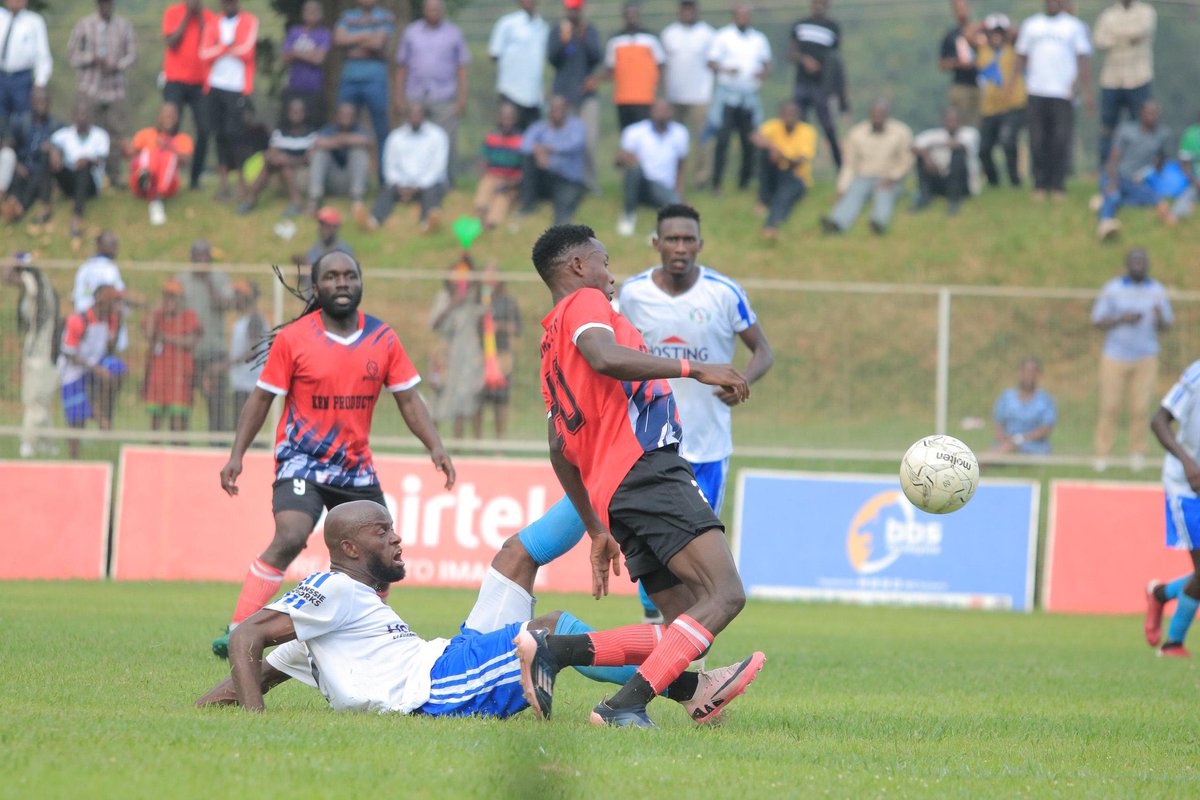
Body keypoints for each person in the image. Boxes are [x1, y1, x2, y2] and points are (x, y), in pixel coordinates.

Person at [196, 500, 763, 725]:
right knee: (551, 631)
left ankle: (594, 481)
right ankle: (689, 686)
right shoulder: (335, 590)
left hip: (446, 655)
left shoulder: (336, 612)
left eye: (393, 527)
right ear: (348, 548)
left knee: (514, 558)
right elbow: (248, 635)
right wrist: (254, 724)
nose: (397, 539)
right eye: (381, 531)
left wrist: (209, 704)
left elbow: (262, 666)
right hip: (439, 687)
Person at [530, 223, 756, 726]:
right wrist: (696, 369)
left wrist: (595, 526)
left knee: (684, 621)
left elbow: (557, 446)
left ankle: (560, 650)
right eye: (604, 262)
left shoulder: (549, 346)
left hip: (617, 492)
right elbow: (606, 357)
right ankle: (621, 704)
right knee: (725, 594)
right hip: (648, 469)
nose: (612, 276)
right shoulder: (586, 305)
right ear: (578, 267)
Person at [211, 251, 455, 658]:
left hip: (354, 468)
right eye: (331, 276)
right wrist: (237, 454)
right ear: (317, 287)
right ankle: (241, 630)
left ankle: (370, 636)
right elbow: (260, 398)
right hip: (301, 460)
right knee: (290, 536)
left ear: (360, 282)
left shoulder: (383, 338)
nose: (341, 282)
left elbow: (409, 401)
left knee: (380, 550)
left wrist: (436, 446)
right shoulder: (295, 338)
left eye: (349, 275)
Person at [618, 204, 773, 622]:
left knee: (698, 564)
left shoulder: (723, 293)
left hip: (707, 449)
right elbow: (612, 355)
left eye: (688, 239)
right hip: (650, 448)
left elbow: (763, 350)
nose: (680, 247)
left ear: (700, 245)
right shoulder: (631, 294)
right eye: (672, 239)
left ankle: (683, 657)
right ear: (656, 243)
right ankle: (665, 649)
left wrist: (743, 381)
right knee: (657, 562)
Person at [1091, 247, 1173, 472]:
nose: (1138, 264)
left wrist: (1159, 317)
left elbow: (1167, 324)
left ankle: (1137, 452)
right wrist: (1121, 318)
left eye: (1142, 261)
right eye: (1134, 260)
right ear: (1127, 264)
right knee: (1109, 406)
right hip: (1114, 356)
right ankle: (1102, 453)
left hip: (1146, 357)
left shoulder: (1156, 289)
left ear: (1147, 264)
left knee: (1140, 408)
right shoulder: (1113, 288)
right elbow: (1097, 320)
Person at [1143, 360, 1200, 658]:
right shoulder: (1196, 375)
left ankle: (1160, 594)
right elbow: (1159, 421)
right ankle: (1173, 644)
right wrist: (1188, 463)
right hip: (1187, 484)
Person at [1014, 0, 1093, 201]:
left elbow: (1083, 59)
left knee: (1060, 140)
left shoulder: (1074, 26)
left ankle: (1058, 185)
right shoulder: (1031, 25)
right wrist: (1015, 85)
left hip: (1063, 92)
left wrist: (1084, 90)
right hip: (1036, 90)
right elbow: (1021, 57)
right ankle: (1040, 184)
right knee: (1037, 139)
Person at [394, 0, 469, 187]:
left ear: (442, 11)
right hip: (415, 95)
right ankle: (409, 182)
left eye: (437, 8)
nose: (433, 12)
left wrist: (461, 99)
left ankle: (447, 182)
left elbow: (461, 68)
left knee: (446, 140)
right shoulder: (411, 32)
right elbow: (402, 67)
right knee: (413, 138)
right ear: (423, 11)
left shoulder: (454, 33)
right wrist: (398, 97)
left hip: (444, 96)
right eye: (430, 9)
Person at [66, 0, 136, 188]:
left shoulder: (124, 26)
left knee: (115, 132)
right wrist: (93, 59)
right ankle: (90, 176)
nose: (106, 6)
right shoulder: (84, 24)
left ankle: (114, 175)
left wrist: (116, 65)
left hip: (115, 88)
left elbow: (132, 55)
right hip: (90, 87)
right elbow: (72, 54)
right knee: (89, 130)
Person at [820, 99, 913, 235]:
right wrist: (842, 187)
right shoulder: (857, 133)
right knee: (852, 195)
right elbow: (850, 165)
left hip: (888, 177)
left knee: (884, 195)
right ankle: (836, 222)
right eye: (875, 114)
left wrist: (893, 177)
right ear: (869, 114)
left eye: (881, 114)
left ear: (887, 115)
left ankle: (879, 222)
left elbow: (906, 160)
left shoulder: (901, 132)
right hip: (863, 176)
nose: (878, 118)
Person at [706, 3, 771, 194]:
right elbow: (711, 62)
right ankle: (716, 183)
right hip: (728, 96)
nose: (743, 18)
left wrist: (761, 74)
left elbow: (767, 65)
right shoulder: (723, 36)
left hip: (748, 97)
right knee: (723, 141)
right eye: (739, 15)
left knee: (749, 141)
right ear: (733, 16)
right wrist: (727, 69)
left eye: (746, 15)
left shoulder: (758, 39)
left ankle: (744, 182)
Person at [198, 0, 259, 204]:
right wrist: (226, 46)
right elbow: (204, 53)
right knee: (220, 135)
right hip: (215, 86)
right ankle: (224, 184)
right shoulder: (213, 23)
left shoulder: (250, 20)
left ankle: (242, 183)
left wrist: (219, 48)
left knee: (237, 135)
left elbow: (247, 50)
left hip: (237, 87)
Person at [58, 283, 126, 460]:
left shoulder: (110, 319)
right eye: (114, 301)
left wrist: (119, 324)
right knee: (76, 419)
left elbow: (110, 347)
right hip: (73, 370)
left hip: (96, 363)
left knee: (117, 368)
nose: (117, 305)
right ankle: (75, 459)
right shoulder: (78, 320)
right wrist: (96, 369)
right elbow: (69, 353)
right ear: (101, 301)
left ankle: (100, 411)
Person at [3, 252, 59, 458]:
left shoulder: (35, 283)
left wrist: (14, 260)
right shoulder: (38, 285)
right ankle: (47, 441)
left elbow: (6, 275)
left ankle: (29, 440)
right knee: (37, 398)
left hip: (42, 350)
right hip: (35, 348)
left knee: (37, 398)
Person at [176, 239, 234, 434]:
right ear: (191, 257)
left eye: (205, 255)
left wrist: (208, 281)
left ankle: (217, 446)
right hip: (188, 351)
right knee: (182, 402)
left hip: (213, 351)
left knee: (216, 404)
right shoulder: (182, 280)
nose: (201, 260)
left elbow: (225, 305)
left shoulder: (220, 278)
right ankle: (180, 446)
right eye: (197, 255)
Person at [333, 0, 395, 177]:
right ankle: (343, 176)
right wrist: (367, 36)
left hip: (375, 80)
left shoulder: (385, 16)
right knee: (343, 127)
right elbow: (338, 39)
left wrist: (353, 39)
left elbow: (378, 44)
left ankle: (384, 177)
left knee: (381, 130)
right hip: (349, 79)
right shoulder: (347, 16)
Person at [1096, 99, 1172, 241]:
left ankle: (1102, 202)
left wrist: (1156, 169)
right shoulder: (1126, 131)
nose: (1152, 116)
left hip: (1137, 180)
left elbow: (1162, 158)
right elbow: (1113, 159)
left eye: (1155, 113)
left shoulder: (1161, 135)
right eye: (1149, 113)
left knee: (1124, 198)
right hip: (1118, 176)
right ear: (1141, 113)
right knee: (1114, 194)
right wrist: (1112, 180)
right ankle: (1105, 223)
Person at [547, 0, 602, 189]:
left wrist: (583, 36)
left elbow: (596, 57)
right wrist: (564, 39)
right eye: (570, 9)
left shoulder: (590, 30)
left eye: (576, 9)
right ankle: (566, 181)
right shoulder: (558, 30)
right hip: (563, 97)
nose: (573, 12)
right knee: (564, 141)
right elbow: (552, 58)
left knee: (589, 141)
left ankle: (590, 182)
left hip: (586, 96)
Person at [1093, 0, 1155, 169]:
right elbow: (1100, 40)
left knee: (1141, 125)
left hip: (1139, 77)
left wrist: (1115, 36)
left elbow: (1141, 32)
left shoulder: (1145, 12)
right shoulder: (1108, 15)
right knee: (1107, 126)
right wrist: (1128, 38)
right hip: (1112, 78)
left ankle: (1140, 165)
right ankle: (1104, 167)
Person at [162, 0, 216, 190]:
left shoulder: (208, 16)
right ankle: (166, 175)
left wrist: (199, 17)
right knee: (169, 128)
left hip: (200, 82)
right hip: (174, 79)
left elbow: (210, 42)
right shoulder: (173, 12)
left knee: (204, 129)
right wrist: (187, 16)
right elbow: (172, 42)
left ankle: (195, 178)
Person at [368, 104, 448, 234]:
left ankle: (427, 223)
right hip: (401, 184)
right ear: (407, 116)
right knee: (385, 191)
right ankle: (373, 221)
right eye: (412, 114)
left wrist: (418, 186)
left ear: (424, 115)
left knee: (432, 191)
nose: (415, 117)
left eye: (418, 114)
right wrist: (401, 185)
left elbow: (438, 168)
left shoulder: (437, 135)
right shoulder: (395, 137)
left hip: (428, 183)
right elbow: (390, 167)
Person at [428, 259, 485, 438]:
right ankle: (430, 443)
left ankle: (457, 444)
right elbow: (433, 323)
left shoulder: (474, 297)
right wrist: (452, 303)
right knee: (437, 398)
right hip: (445, 354)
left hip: (467, 355)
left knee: (463, 399)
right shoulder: (443, 296)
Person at [660, 0, 715, 189]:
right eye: (684, 7)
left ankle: (701, 179)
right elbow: (663, 66)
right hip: (674, 97)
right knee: (672, 141)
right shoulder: (669, 33)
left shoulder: (707, 33)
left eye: (691, 7)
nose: (687, 11)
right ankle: (671, 178)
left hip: (700, 95)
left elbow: (713, 62)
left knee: (703, 139)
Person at [616, 98, 688, 237]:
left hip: (663, 185)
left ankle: (657, 232)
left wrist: (679, 192)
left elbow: (681, 165)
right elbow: (618, 161)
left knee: (677, 205)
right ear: (651, 112)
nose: (661, 113)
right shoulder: (635, 131)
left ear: (671, 112)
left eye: (665, 110)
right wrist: (626, 158)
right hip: (642, 181)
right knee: (634, 168)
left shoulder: (680, 133)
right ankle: (628, 215)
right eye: (658, 110)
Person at [789, 0, 845, 169]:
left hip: (822, 86)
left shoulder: (832, 27)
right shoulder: (800, 25)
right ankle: (798, 169)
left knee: (828, 128)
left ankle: (840, 168)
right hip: (802, 84)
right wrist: (804, 60)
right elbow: (791, 52)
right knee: (799, 126)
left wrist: (839, 92)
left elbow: (835, 59)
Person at [237, 97, 316, 218]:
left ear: (304, 114)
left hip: (300, 170)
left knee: (285, 166)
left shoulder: (310, 134)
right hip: (278, 167)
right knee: (271, 162)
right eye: (292, 112)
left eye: (298, 112)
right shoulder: (280, 132)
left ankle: (252, 199)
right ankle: (252, 198)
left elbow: (308, 159)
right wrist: (274, 158)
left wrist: (288, 159)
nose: (295, 115)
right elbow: (272, 151)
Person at [143, 278, 201, 435]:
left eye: (173, 297)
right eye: (166, 296)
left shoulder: (189, 316)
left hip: (179, 377)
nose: (169, 301)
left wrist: (166, 338)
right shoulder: (157, 315)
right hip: (158, 375)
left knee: (178, 422)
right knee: (155, 421)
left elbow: (190, 341)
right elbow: (148, 335)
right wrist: (155, 313)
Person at [750, 98, 817, 238]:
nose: (789, 116)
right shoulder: (773, 126)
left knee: (784, 196)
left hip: (795, 175)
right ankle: (764, 199)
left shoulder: (807, 131)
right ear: (780, 114)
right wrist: (772, 147)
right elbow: (755, 137)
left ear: (799, 115)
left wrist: (782, 155)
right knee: (764, 155)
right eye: (786, 113)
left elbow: (800, 159)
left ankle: (772, 224)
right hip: (776, 173)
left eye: (793, 113)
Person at [519, 95, 587, 224]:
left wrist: (548, 149)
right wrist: (538, 151)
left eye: (559, 108)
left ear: (566, 110)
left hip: (567, 179)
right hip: (546, 178)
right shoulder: (540, 126)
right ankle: (527, 206)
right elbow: (524, 144)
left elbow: (574, 144)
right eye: (552, 108)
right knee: (528, 159)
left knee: (562, 212)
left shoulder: (577, 126)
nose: (555, 112)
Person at [975, 13, 1025, 188]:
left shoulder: (1014, 48)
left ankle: (1014, 181)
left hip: (1012, 106)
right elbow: (967, 35)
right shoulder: (982, 49)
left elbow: (1022, 34)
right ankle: (993, 182)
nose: (996, 35)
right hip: (989, 109)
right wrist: (983, 24)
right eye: (992, 32)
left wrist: (1007, 27)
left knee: (1008, 143)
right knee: (983, 149)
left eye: (1000, 32)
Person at [49, 101, 110, 242]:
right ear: (73, 116)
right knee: (48, 160)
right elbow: (50, 144)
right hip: (70, 181)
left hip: (91, 183)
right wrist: (54, 153)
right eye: (79, 114)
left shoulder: (100, 135)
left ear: (91, 117)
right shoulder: (64, 134)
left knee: (83, 169)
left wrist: (87, 160)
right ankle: (45, 206)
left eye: (85, 114)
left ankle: (77, 216)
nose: (82, 117)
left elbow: (100, 160)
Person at [0, 85, 60, 225]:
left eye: (44, 101)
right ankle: (11, 202)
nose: (41, 105)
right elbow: (10, 143)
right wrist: (17, 164)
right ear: (31, 102)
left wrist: (54, 150)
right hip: (22, 166)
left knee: (37, 176)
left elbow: (64, 144)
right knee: (17, 173)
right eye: (38, 101)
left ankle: (21, 207)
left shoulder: (55, 125)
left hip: (41, 171)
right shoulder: (21, 122)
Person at [127, 102, 194, 227]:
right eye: (165, 114)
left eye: (172, 115)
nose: (168, 118)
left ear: (177, 118)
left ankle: (156, 198)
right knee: (150, 151)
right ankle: (146, 177)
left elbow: (187, 160)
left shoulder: (183, 138)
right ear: (159, 116)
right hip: (140, 185)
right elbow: (130, 153)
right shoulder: (146, 134)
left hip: (168, 187)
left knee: (168, 155)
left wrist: (168, 146)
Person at [306, 101, 372, 222]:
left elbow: (365, 141)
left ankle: (357, 201)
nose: (345, 117)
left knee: (359, 152)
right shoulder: (327, 129)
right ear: (336, 116)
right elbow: (317, 142)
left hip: (353, 181)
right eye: (342, 114)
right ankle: (315, 199)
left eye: (349, 115)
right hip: (331, 180)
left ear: (354, 117)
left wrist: (335, 140)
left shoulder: (360, 129)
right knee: (320, 153)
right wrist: (344, 140)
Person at [604, 3, 664, 131]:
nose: (631, 18)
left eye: (634, 14)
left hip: (645, 98)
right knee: (627, 135)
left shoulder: (650, 39)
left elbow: (661, 66)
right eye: (628, 15)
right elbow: (610, 69)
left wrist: (660, 92)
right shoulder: (615, 40)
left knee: (645, 134)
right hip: (623, 98)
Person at [488, 0, 547, 130]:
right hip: (511, 92)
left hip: (534, 96)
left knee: (531, 142)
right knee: (510, 139)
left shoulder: (542, 26)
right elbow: (494, 53)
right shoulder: (507, 24)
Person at [910, 107, 981, 215]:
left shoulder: (970, 133)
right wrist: (927, 158)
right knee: (921, 158)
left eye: (954, 120)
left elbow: (960, 146)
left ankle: (954, 200)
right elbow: (914, 146)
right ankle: (924, 198)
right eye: (948, 121)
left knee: (957, 155)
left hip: (963, 184)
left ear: (960, 121)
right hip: (941, 178)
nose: (951, 124)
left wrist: (932, 146)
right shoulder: (936, 134)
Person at [481, 266, 521, 439]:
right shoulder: (479, 301)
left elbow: (517, 328)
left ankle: (499, 444)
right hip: (480, 357)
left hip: (501, 357)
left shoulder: (508, 302)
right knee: (478, 403)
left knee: (500, 402)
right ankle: (477, 445)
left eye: (493, 277)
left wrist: (499, 327)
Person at [990, 356, 1056, 455]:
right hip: (1006, 442)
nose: (1029, 375)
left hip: (1033, 445)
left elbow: (1045, 428)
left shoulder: (1044, 400)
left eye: (1033, 372)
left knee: (1008, 448)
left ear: (1038, 375)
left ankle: (983, 462)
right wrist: (1004, 438)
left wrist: (1020, 439)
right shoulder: (1007, 397)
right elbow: (998, 423)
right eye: (1026, 371)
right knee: (1004, 447)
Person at [474, 102, 525, 230]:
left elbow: (525, 170)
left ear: (515, 119)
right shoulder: (491, 137)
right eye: (504, 117)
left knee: (502, 198)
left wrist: (511, 184)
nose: (507, 121)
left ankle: (491, 224)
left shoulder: (521, 140)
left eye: (510, 118)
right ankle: (480, 214)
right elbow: (483, 160)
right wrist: (484, 174)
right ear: (499, 118)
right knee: (486, 186)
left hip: (510, 180)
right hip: (492, 175)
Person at [0, 0, 52, 123]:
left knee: (21, 120)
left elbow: (43, 55)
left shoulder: (34, 22)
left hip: (21, 78)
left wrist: (40, 81)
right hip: (1, 76)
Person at [280, 0, 330, 127]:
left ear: (320, 14)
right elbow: (285, 56)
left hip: (314, 87)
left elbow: (318, 58)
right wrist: (309, 53)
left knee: (313, 122)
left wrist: (296, 52)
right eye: (308, 11)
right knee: (290, 122)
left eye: (314, 12)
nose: (310, 14)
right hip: (294, 85)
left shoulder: (324, 33)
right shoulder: (294, 31)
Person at [226, 278, 264, 420]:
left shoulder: (254, 319)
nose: (235, 298)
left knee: (246, 424)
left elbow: (253, 351)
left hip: (249, 383)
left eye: (238, 294)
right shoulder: (242, 319)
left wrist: (227, 364)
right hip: (241, 382)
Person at [939, 0, 981, 128]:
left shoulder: (980, 32)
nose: (962, 11)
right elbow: (942, 63)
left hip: (982, 84)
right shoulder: (951, 35)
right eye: (959, 8)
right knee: (961, 124)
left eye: (964, 7)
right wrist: (959, 64)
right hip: (961, 85)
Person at [71, 229, 123, 313]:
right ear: (100, 245)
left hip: (82, 318)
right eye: (113, 244)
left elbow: (75, 298)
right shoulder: (110, 269)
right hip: (101, 320)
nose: (116, 249)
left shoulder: (84, 267)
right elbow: (118, 294)